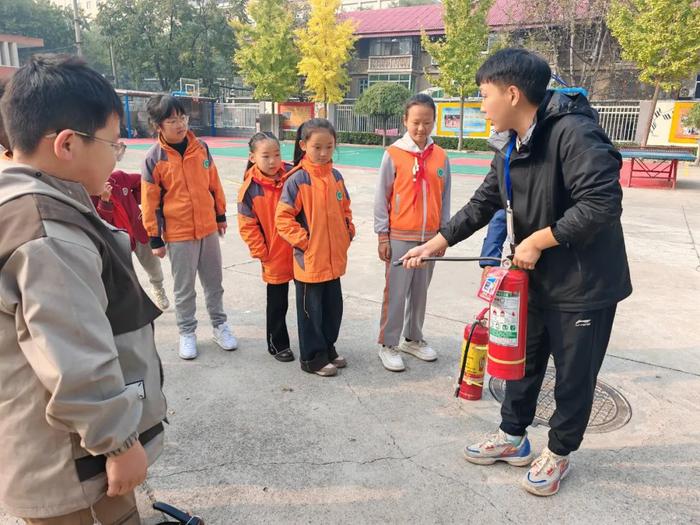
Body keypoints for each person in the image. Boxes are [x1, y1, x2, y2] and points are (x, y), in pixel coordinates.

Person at [401, 48, 632, 496]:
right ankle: (513, 438)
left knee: (573, 376)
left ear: (511, 93)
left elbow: (602, 204)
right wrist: (437, 241)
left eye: (484, 95)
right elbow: (485, 201)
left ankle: (559, 453)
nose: (481, 104)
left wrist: (537, 239)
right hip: (535, 279)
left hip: (584, 284)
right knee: (522, 364)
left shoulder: (573, 133)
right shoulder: (510, 144)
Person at [0, 54, 166, 524]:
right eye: (113, 145)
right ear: (68, 144)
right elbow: (73, 352)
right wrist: (119, 441)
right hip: (71, 463)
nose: (117, 158)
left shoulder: (33, 204)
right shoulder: (47, 230)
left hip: (68, 450)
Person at [141, 95, 237, 360]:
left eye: (182, 118)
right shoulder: (154, 159)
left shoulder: (201, 148)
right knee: (184, 289)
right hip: (179, 233)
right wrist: (154, 237)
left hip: (207, 229)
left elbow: (213, 183)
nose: (180, 124)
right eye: (172, 120)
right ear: (158, 125)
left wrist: (220, 215)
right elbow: (149, 202)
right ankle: (187, 332)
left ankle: (220, 326)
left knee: (214, 283)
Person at [374, 94, 451, 372]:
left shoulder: (441, 156)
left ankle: (413, 337)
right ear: (405, 121)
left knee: (420, 292)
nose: (421, 128)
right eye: (416, 122)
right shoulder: (394, 154)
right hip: (399, 236)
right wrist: (383, 235)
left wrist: (444, 234)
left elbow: (445, 197)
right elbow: (381, 197)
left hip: (430, 238)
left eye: (427, 122)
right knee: (396, 291)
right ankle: (388, 343)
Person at [275, 118, 355, 377]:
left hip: (333, 260)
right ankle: (312, 358)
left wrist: (347, 230)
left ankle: (328, 348)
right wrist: (305, 242)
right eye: (317, 147)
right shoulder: (297, 180)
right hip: (310, 262)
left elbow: (346, 209)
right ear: (303, 146)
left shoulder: (336, 176)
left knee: (333, 310)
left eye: (329, 147)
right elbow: (283, 219)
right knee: (311, 313)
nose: (323, 153)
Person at [238, 132, 295, 362]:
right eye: (266, 156)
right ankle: (278, 343)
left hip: (300, 249)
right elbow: (247, 226)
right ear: (253, 157)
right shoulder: (250, 190)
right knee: (278, 303)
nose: (273, 161)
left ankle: (314, 342)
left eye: (277, 154)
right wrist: (263, 252)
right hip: (274, 255)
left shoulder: (293, 174)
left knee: (306, 301)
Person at [92, 171, 170, 310]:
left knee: (153, 267)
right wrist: (104, 200)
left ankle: (158, 288)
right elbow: (100, 222)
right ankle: (130, 303)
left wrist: (136, 198)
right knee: (124, 275)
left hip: (138, 232)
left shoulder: (119, 178)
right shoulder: (89, 192)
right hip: (116, 239)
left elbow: (143, 182)